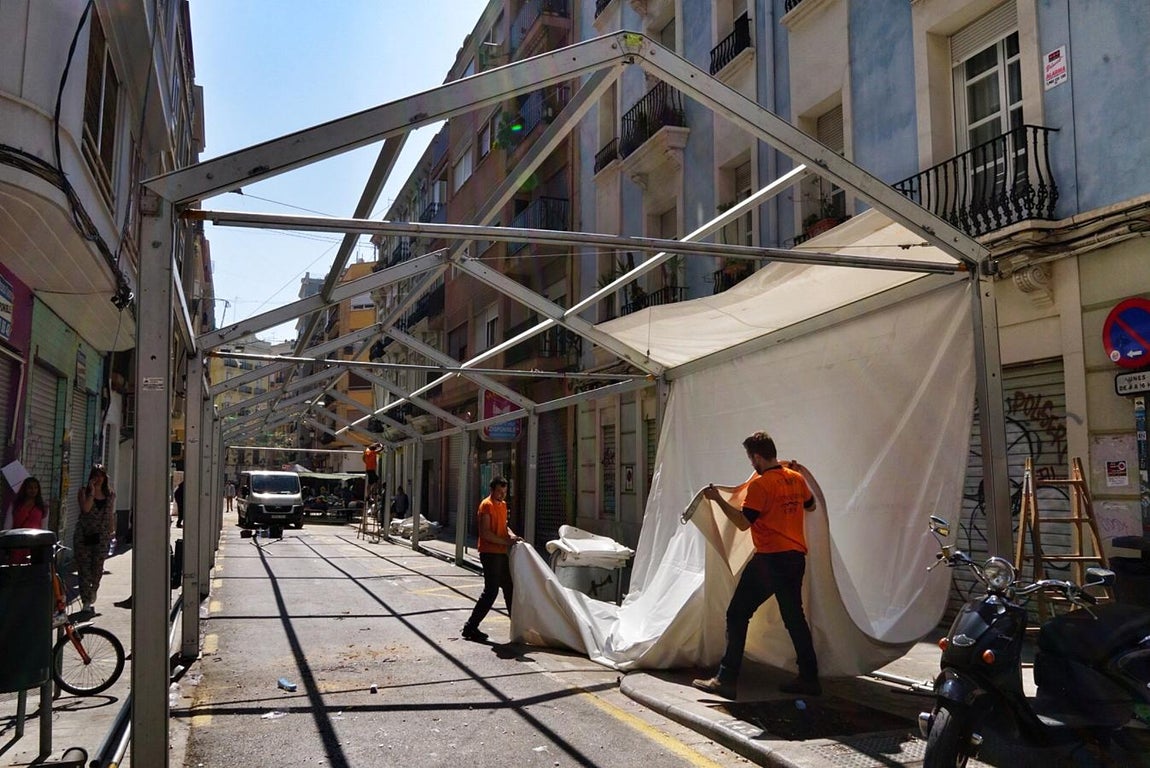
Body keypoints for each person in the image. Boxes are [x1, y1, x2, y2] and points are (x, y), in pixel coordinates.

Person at [692, 431, 821, 699]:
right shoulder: (796, 478)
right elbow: (810, 507)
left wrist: (717, 499)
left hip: (770, 559)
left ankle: (726, 679)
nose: (751, 464)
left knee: (737, 614)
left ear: (758, 457)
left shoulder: (761, 486)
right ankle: (810, 678)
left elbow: (742, 522)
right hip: (795, 558)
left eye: (751, 459)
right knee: (794, 618)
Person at [461, 477, 520, 642]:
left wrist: (512, 535)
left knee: (509, 587)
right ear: (492, 489)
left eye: (505, 492)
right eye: (500, 491)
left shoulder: (502, 505)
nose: (502, 495)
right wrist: (506, 541)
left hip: (500, 553)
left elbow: (503, 526)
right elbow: (486, 533)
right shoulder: (486, 505)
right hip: (489, 553)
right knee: (491, 591)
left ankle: (516, 624)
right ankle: (470, 627)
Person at [75, 464, 116, 615]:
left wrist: (112, 531)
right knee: (84, 569)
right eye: (95, 475)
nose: (98, 478)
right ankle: (86, 600)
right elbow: (86, 509)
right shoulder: (83, 492)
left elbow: (110, 513)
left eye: (101, 475)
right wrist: (91, 492)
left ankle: (93, 590)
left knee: (97, 569)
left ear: (105, 477)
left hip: (102, 536)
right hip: (84, 535)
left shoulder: (110, 494)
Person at [2, 476, 48, 564]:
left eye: (35, 488)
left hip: (35, 545)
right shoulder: (15, 505)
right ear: (25, 489)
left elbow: (44, 527)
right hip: (17, 544)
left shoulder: (43, 507)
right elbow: (7, 526)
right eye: (30, 487)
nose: (33, 490)